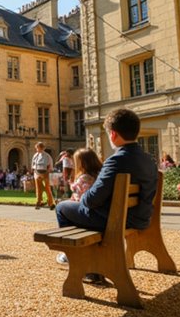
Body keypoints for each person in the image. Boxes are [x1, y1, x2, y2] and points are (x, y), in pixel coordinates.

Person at [54, 109, 159, 283]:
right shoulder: (149, 159)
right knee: (83, 209)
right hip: (141, 217)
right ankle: (90, 262)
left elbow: (92, 199)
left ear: (113, 134)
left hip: (117, 220)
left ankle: (79, 260)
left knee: (62, 208)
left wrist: (82, 197)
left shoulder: (116, 160)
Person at [31, 142, 55, 210]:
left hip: (45, 174)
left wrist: (47, 172)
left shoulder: (47, 156)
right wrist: (33, 172)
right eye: (36, 147)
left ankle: (51, 203)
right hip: (37, 173)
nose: (36, 149)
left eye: (37, 147)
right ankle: (39, 202)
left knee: (47, 189)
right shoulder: (35, 155)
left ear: (41, 148)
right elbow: (33, 165)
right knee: (38, 189)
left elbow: (50, 165)